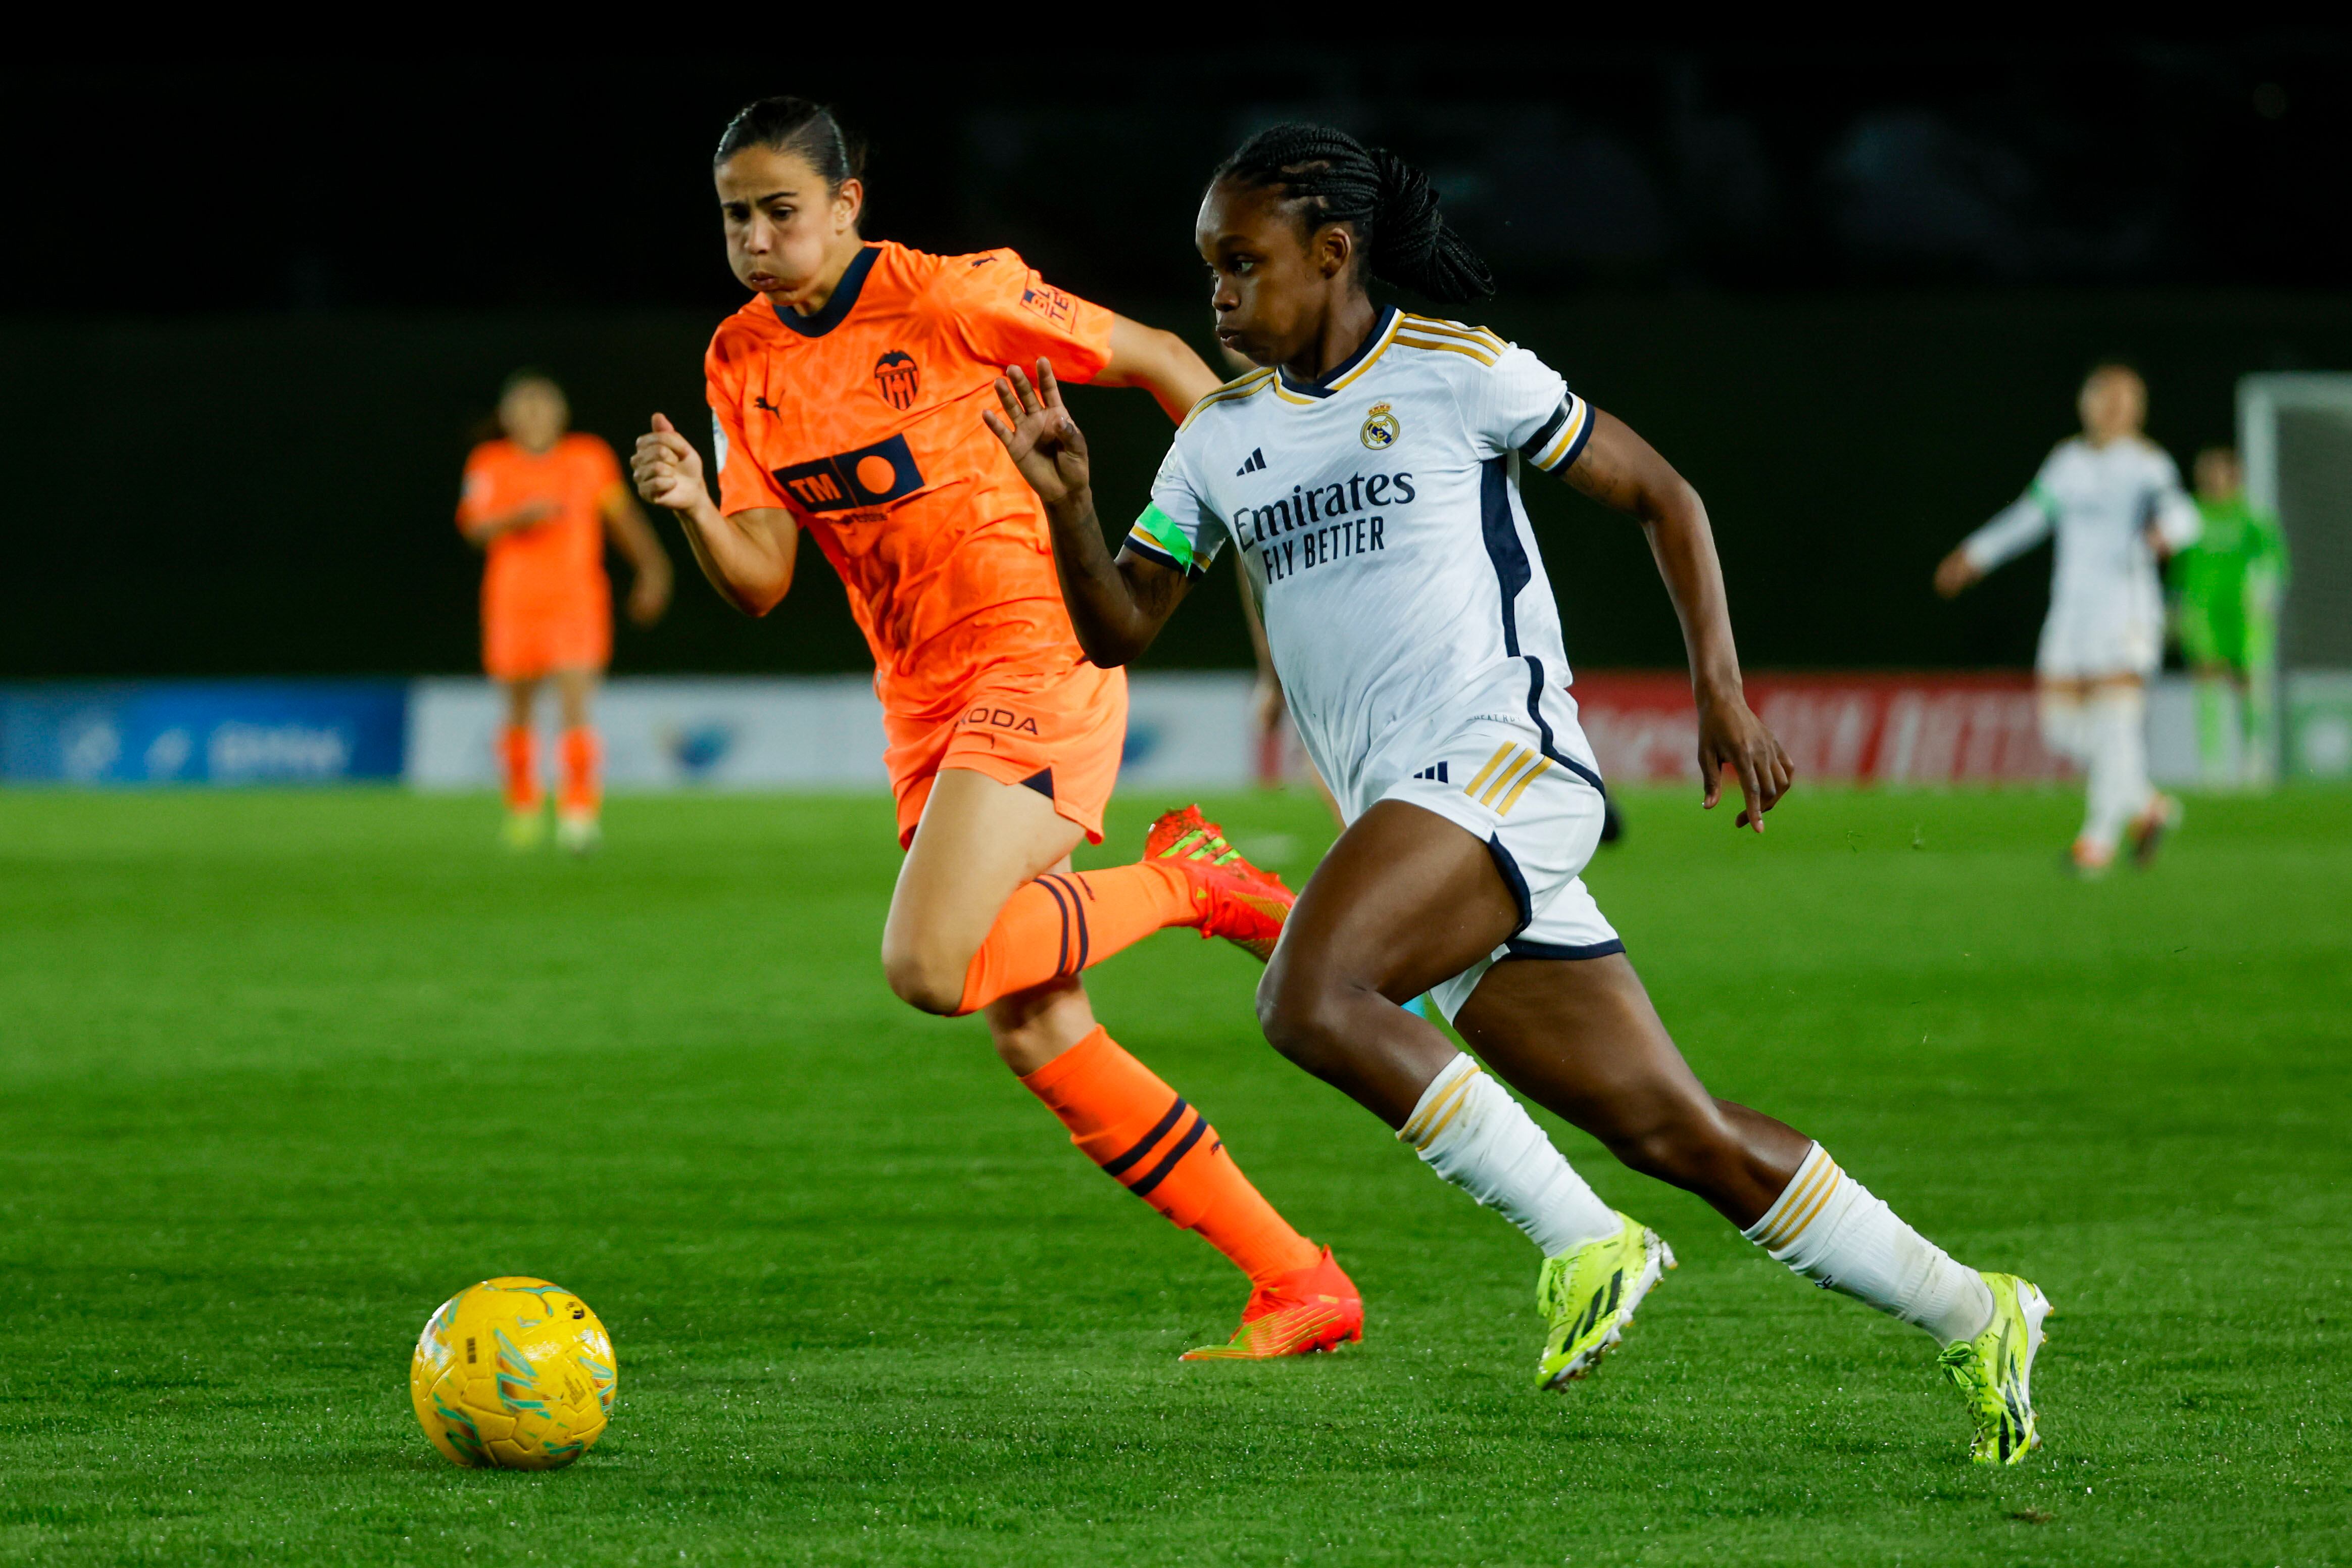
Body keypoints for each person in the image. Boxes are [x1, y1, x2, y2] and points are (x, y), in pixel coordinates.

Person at [987, 123, 2050, 1464]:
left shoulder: (1457, 373)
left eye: (1243, 266)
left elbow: (1665, 495)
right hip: (1417, 824)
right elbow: (1119, 626)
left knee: (1309, 996)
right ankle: (1978, 1311)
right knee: (1683, 1132)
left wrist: (1719, 690)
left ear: (1333, 255)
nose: (1218, 296)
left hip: (1507, 766)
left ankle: (1587, 1240)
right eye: (1207, 270)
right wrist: (1071, 503)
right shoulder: (1218, 441)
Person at [628, 98, 1359, 1359]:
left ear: (848, 205)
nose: (754, 238)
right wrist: (697, 506)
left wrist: (1248, 534)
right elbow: (759, 577)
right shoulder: (738, 359)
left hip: (1038, 645)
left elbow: (1166, 362)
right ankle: (1298, 1280)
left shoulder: (956, 297)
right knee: (1036, 1022)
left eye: (779, 210)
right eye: (734, 217)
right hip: (920, 696)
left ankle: (1192, 883)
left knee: (928, 963)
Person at [1935, 365, 2201, 873]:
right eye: (2104, 397)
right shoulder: (2068, 462)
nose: (2113, 407)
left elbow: (2182, 511)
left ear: (2138, 410)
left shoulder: (2146, 464)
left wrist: (2167, 533)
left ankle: (2096, 841)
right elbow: (2030, 516)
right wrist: (1977, 553)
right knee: (2062, 728)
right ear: (2086, 403)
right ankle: (2146, 805)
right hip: (2071, 613)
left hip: (2125, 610)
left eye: (2125, 400)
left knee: (2115, 723)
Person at [457, 371, 671, 851]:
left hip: (576, 602)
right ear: (507, 418)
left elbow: (620, 518)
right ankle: (523, 808)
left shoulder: (588, 458)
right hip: (512, 605)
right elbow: (473, 527)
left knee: (576, 704)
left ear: (560, 414)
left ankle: (578, 813)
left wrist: (653, 568)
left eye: (542, 405)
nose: (534, 415)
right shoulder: (490, 462)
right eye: (524, 407)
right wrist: (519, 517)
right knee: (518, 711)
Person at [2172, 447, 2288, 789]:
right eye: (2208, 473)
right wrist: (2176, 607)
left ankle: (2256, 758)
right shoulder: (2190, 515)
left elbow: (2275, 559)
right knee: (2207, 681)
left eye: (2221, 472)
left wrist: (2265, 592)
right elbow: (2179, 567)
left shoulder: (2253, 516)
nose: (2214, 480)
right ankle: (2213, 767)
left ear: (2235, 476)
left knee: (2251, 683)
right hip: (2202, 610)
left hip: (2244, 612)